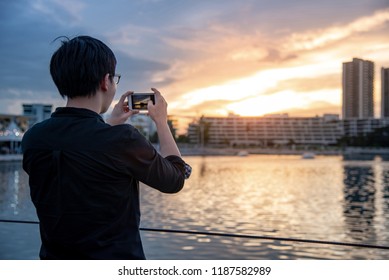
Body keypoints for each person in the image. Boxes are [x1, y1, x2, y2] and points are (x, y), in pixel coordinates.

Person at [22, 35, 191, 260]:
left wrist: (110, 123)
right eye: (115, 79)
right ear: (105, 81)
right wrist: (161, 121)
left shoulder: (34, 138)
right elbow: (175, 179)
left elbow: (81, 150)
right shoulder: (122, 140)